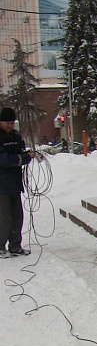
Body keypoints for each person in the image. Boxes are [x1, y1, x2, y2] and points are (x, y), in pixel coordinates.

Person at [0, 107, 35, 258]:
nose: (10, 125)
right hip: (2, 185)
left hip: (15, 183)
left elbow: (19, 153)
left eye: (12, 122)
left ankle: (15, 245)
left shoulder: (15, 136)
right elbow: (4, 160)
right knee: (4, 217)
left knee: (17, 216)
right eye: (7, 122)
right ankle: (0, 246)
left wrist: (28, 155)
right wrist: (24, 158)